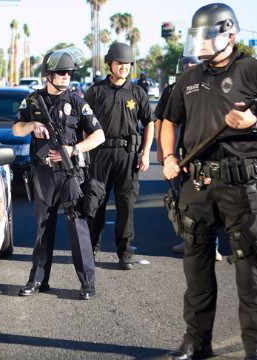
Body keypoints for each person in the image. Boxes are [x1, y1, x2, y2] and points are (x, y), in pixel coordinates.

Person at [160, 4, 257, 360]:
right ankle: (196, 343)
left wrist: (255, 122)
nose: (203, 42)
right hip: (197, 185)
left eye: (209, 35)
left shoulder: (255, 72)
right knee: (196, 271)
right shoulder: (189, 78)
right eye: (199, 36)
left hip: (242, 187)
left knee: (249, 275)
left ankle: (256, 350)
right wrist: (169, 158)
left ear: (230, 34)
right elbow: (168, 121)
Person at [13, 47, 105, 300]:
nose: (66, 76)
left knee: (78, 226)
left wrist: (73, 149)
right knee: (44, 227)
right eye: (61, 72)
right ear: (49, 75)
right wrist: (32, 125)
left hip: (70, 173)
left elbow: (99, 135)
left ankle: (87, 282)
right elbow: (17, 130)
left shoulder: (77, 102)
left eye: (70, 73)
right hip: (43, 173)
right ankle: (38, 280)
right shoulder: (32, 101)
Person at [84, 43, 155, 270]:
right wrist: (85, 152)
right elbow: (84, 123)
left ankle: (125, 253)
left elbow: (150, 122)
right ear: (110, 64)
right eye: (119, 63)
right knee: (96, 202)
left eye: (127, 63)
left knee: (126, 204)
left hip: (128, 155)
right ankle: (92, 248)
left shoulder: (137, 92)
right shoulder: (95, 92)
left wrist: (145, 153)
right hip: (100, 155)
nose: (124, 67)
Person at [155, 56, 223, 261]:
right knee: (183, 201)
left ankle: (212, 247)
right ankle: (189, 242)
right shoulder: (173, 89)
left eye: (193, 66)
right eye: (185, 66)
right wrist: (162, 152)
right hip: (181, 156)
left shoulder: (211, 87)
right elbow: (161, 119)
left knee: (207, 200)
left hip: (207, 154)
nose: (189, 70)